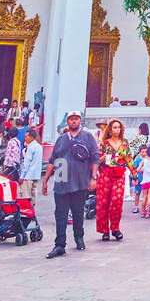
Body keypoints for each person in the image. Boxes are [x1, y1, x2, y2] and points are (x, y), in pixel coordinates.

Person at [42, 111, 99, 258]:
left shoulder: (88, 137)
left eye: (76, 119)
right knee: (60, 214)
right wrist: (45, 180)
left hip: (80, 181)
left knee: (78, 212)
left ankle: (79, 237)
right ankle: (59, 245)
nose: (74, 121)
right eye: (71, 119)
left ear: (80, 121)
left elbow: (95, 158)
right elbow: (52, 160)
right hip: (62, 180)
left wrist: (93, 178)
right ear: (67, 122)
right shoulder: (61, 139)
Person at [96, 119, 131, 241]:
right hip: (105, 173)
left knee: (117, 201)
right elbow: (97, 159)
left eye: (119, 127)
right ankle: (104, 230)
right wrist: (101, 159)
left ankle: (115, 228)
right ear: (110, 130)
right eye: (115, 127)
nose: (117, 129)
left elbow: (129, 159)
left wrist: (135, 174)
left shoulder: (125, 143)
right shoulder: (104, 144)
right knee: (104, 202)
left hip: (119, 173)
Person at [18, 128, 42, 201]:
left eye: (26, 137)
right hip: (36, 174)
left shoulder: (30, 147)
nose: (25, 138)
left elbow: (26, 164)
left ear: (31, 138)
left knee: (26, 195)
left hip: (29, 175)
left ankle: (27, 210)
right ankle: (32, 209)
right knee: (33, 193)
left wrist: (22, 176)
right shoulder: (39, 146)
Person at [132, 142, 150, 217]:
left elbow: (137, 170)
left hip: (144, 180)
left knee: (144, 196)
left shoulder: (143, 161)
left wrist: (142, 171)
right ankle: (148, 212)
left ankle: (143, 212)